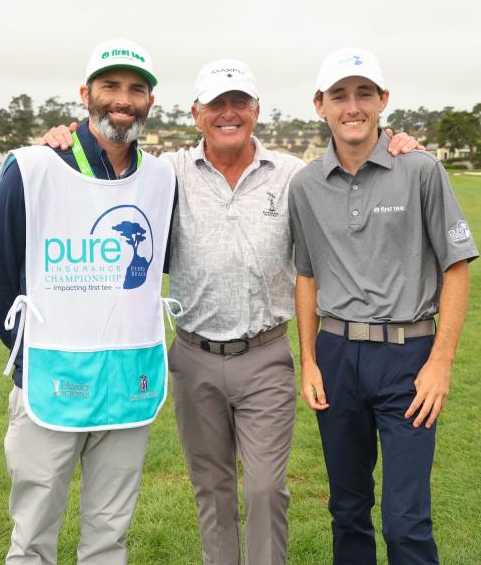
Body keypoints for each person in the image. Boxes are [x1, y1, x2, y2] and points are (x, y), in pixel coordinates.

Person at [41, 59, 423, 565]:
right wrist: (67, 137)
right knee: (212, 489)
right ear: (196, 113)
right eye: (216, 104)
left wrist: (392, 141)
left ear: (256, 111)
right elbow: (110, 154)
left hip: (264, 355)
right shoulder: (165, 173)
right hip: (194, 356)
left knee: (265, 489)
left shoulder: (292, 176)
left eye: (239, 103)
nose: (228, 114)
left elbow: (350, 157)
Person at [0, 38, 177, 565]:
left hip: (127, 384)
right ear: (86, 94)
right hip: (50, 379)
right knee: (34, 534)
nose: (123, 100)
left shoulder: (160, 178)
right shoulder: (35, 167)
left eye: (136, 90)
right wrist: (26, 347)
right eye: (111, 86)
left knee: (109, 534)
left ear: (150, 102)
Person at [288, 48, 478, 565]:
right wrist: (308, 359)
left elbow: (455, 267)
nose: (353, 107)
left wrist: (440, 363)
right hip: (336, 357)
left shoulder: (418, 169)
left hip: (408, 358)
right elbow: (305, 275)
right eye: (340, 96)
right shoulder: (304, 185)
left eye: (365, 94)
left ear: (383, 101)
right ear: (319, 105)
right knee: (347, 510)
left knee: (405, 521)